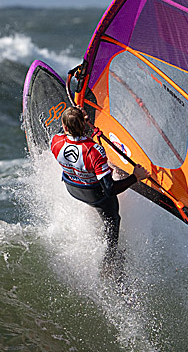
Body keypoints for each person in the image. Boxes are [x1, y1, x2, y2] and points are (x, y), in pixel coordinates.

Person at [49, 106, 149, 282]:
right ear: (85, 125)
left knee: (96, 176)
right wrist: (135, 177)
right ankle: (110, 261)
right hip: (95, 196)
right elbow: (110, 189)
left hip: (72, 188)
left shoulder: (56, 141)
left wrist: (77, 118)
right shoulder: (94, 150)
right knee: (113, 220)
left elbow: (65, 131)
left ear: (65, 128)